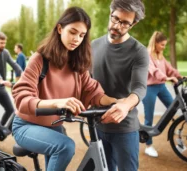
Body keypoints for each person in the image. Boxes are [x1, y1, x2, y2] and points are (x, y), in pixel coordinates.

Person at [11, 7, 117, 171]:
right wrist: (58, 103)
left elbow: (91, 89)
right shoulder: (40, 59)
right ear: (60, 28)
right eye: (72, 32)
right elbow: (21, 98)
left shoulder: (77, 62)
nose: (76, 39)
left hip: (55, 125)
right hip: (26, 125)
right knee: (65, 146)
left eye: (81, 35)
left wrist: (115, 102)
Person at [91, 0, 149, 170]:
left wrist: (125, 105)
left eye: (124, 23)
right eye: (115, 18)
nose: (117, 25)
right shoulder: (93, 46)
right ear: (110, 14)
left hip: (125, 128)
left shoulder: (139, 51)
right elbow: (85, 82)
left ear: (134, 23)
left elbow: (140, 87)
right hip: (97, 125)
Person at [142, 31, 187, 157]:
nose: (164, 47)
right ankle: (148, 146)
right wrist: (167, 78)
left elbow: (169, 68)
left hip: (161, 87)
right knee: (149, 118)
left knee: (173, 107)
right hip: (149, 88)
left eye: (164, 45)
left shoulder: (160, 55)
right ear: (155, 43)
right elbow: (153, 71)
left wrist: (179, 76)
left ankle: (175, 133)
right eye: (162, 45)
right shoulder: (147, 54)